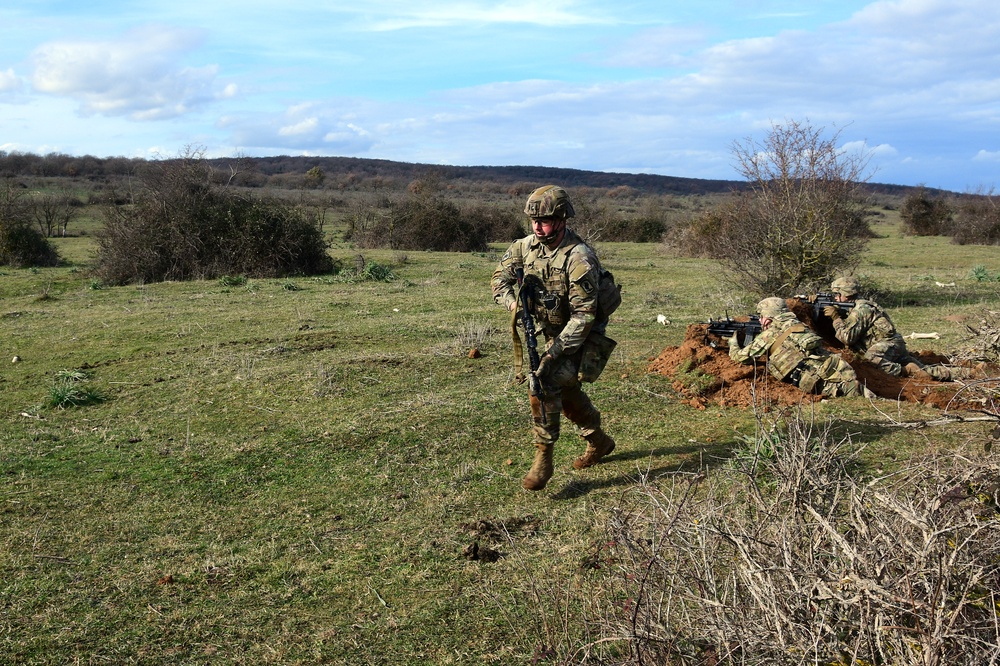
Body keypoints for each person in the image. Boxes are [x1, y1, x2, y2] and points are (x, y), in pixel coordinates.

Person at [491, 185, 618, 491]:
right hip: (549, 329)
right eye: (534, 221)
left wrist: (552, 354)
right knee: (566, 390)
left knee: (545, 381)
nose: (537, 226)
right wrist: (514, 305)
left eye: (545, 220)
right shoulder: (524, 247)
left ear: (562, 219)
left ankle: (543, 457)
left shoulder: (579, 258)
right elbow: (499, 279)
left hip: (581, 334)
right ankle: (598, 440)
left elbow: (584, 317)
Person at [824, 276, 954, 380]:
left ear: (846, 294)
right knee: (928, 371)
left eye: (837, 294)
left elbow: (847, 338)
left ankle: (906, 370)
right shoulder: (856, 306)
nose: (835, 297)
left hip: (888, 346)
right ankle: (966, 373)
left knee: (870, 360)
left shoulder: (861, 309)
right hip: (893, 344)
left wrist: (836, 318)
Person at [729, 297, 862, 398]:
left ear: (768, 317)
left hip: (820, 380)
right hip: (835, 368)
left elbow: (740, 357)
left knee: (858, 397)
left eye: (761, 317)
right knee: (860, 392)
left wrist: (732, 342)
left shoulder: (772, 333)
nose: (759, 320)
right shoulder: (797, 324)